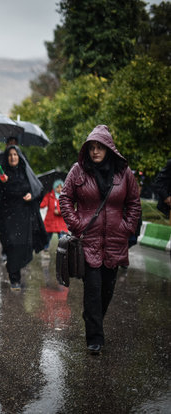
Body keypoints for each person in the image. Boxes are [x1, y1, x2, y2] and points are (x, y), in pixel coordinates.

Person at [59, 125, 141, 355]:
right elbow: (65, 198)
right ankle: (94, 338)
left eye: (99, 147)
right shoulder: (78, 170)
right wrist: (77, 225)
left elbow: (134, 202)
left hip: (115, 241)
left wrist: (126, 228)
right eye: (92, 148)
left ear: (109, 149)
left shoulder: (123, 173)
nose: (95, 152)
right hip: (89, 241)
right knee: (93, 289)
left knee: (107, 290)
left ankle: (93, 318)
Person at [0, 146, 45, 290]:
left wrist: (31, 195)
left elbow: (37, 189)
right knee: (11, 245)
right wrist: (2, 183)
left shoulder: (25, 172)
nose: (12, 157)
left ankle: (13, 268)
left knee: (22, 246)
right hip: (7, 216)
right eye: (10, 155)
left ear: (19, 156)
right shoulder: (2, 173)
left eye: (15, 154)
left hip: (23, 216)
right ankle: (14, 277)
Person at [39, 179, 69, 251]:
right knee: (47, 237)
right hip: (50, 221)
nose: (59, 189)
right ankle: (45, 249)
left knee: (62, 238)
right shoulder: (49, 195)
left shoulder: (65, 197)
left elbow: (67, 208)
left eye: (61, 187)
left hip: (60, 221)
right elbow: (42, 205)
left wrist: (59, 211)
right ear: (54, 187)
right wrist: (41, 197)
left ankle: (62, 250)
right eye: (57, 187)